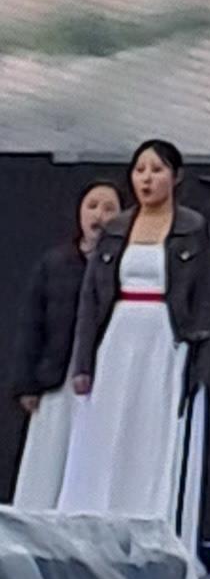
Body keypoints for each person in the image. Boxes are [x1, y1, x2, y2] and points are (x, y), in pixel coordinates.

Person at [62, 140, 210, 547]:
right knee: (107, 429)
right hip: (118, 335)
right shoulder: (116, 230)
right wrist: (83, 363)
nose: (147, 179)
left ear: (175, 177)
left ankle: (148, 528)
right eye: (140, 170)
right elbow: (91, 299)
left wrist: (196, 361)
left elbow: (206, 299)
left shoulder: (194, 229)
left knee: (153, 432)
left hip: (165, 337)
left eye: (157, 170)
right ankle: (96, 527)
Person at [12, 178, 120, 516]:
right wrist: (27, 384)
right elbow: (32, 324)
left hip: (103, 380)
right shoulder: (54, 264)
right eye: (92, 206)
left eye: (109, 208)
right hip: (58, 374)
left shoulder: (123, 265)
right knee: (47, 459)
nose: (99, 215)